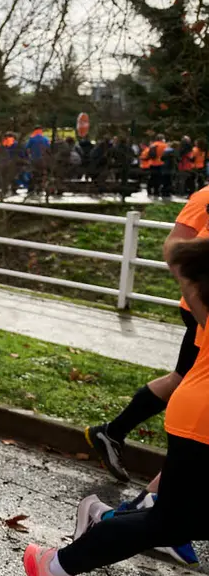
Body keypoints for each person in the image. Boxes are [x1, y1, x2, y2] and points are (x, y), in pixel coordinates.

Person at [24, 236, 209, 576]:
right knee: (170, 523)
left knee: (173, 521)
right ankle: (55, 565)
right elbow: (179, 254)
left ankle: (88, 535)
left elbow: (181, 258)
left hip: (197, 411)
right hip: (201, 419)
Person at [86, 183, 209, 487]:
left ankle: (114, 433)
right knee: (192, 383)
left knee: (185, 378)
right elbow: (175, 247)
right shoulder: (206, 196)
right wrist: (197, 298)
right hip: (201, 308)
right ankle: (163, 484)